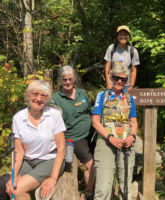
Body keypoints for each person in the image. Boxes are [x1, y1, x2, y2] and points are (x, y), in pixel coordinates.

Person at [0, 80, 66, 200]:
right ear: (27, 95)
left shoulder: (54, 115)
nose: (38, 98)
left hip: (50, 160)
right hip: (28, 160)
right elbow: (19, 151)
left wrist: (53, 178)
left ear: (47, 99)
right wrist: (15, 175)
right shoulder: (18, 118)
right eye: (34, 94)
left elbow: (61, 148)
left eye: (43, 95)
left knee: (17, 189)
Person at [92, 63, 138, 200]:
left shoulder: (128, 98)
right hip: (106, 143)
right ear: (111, 78)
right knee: (103, 188)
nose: (119, 81)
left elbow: (134, 122)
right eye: (116, 78)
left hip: (126, 144)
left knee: (125, 187)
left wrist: (132, 137)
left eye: (123, 79)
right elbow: (95, 121)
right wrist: (110, 138)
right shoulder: (102, 95)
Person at [51, 66, 95, 200]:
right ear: (60, 80)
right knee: (91, 165)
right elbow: (54, 124)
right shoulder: (56, 99)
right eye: (65, 80)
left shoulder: (82, 93)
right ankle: (88, 193)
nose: (68, 82)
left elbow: (89, 111)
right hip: (75, 137)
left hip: (92, 133)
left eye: (70, 79)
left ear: (74, 78)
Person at [104, 25, 140, 93]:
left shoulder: (133, 51)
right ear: (117, 36)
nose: (123, 36)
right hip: (112, 84)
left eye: (125, 34)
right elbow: (107, 67)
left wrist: (131, 86)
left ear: (129, 36)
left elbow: (134, 71)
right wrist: (108, 84)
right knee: (108, 102)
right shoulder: (111, 48)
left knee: (126, 103)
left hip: (126, 85)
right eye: (120, 34)